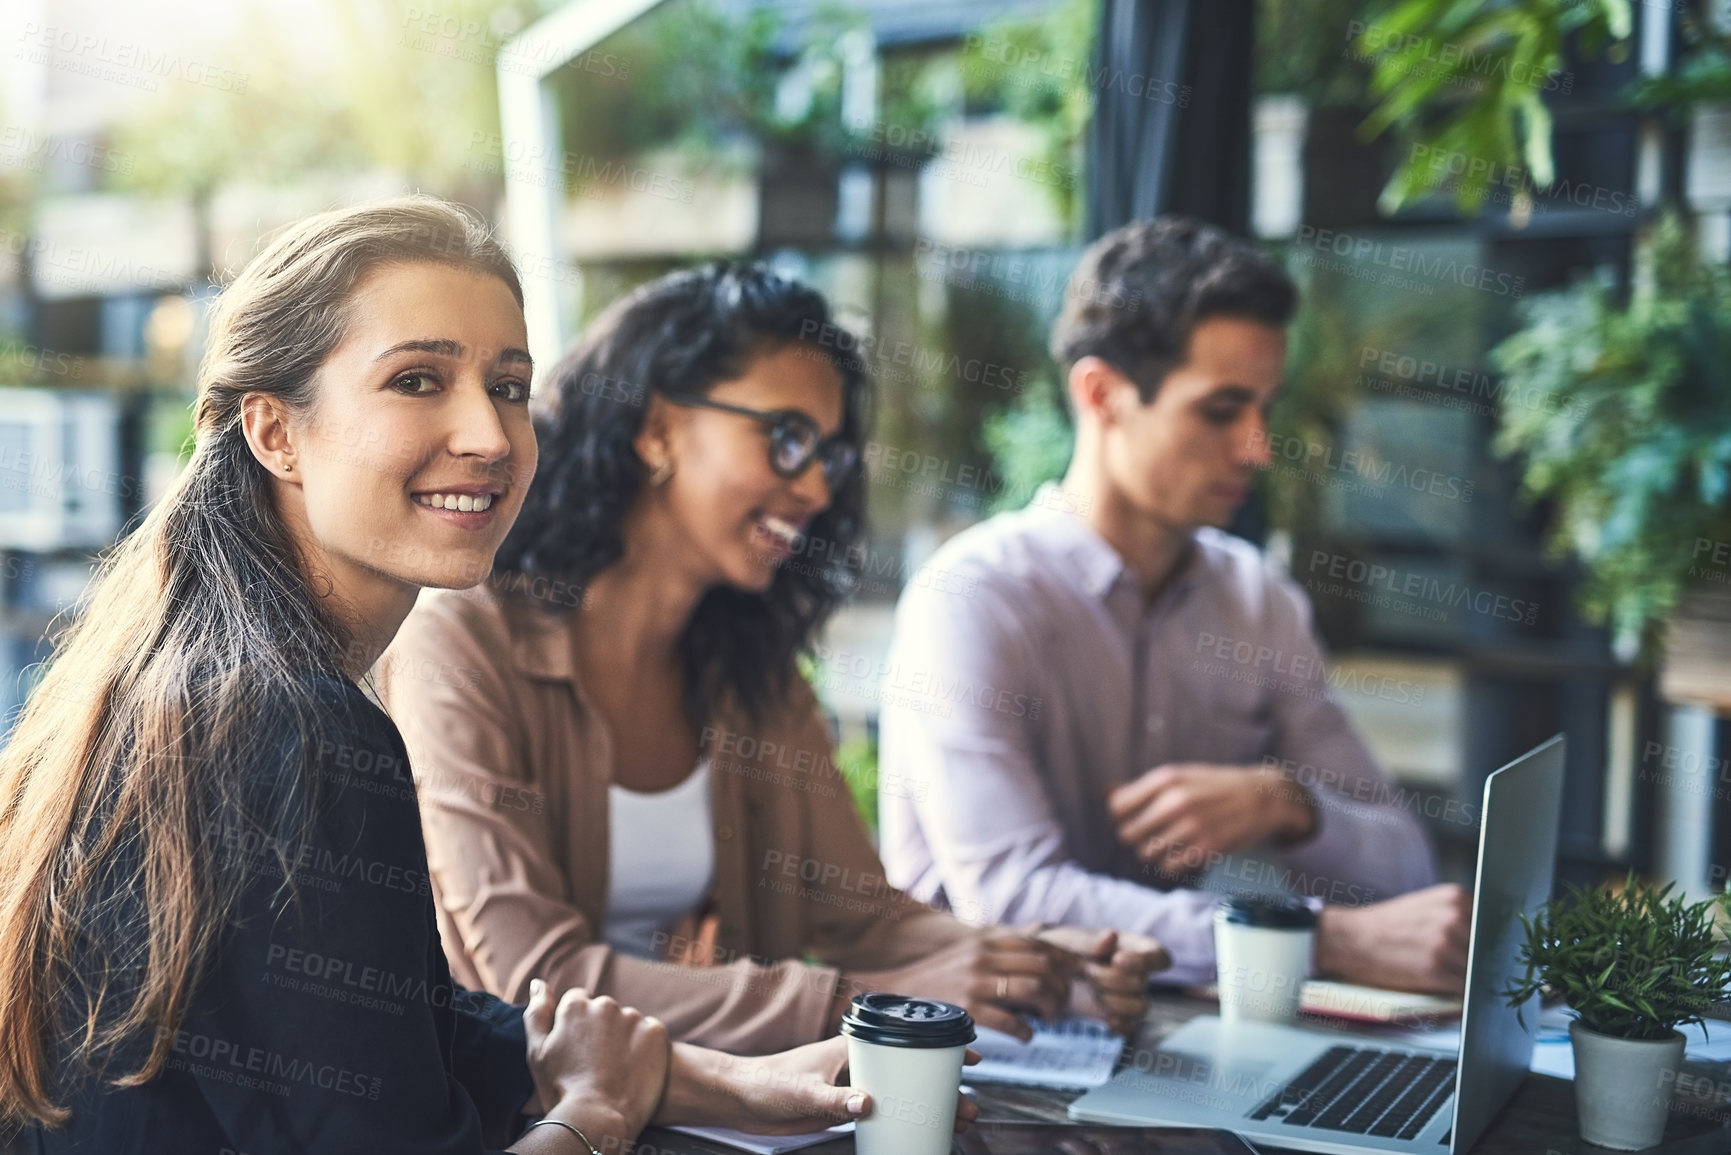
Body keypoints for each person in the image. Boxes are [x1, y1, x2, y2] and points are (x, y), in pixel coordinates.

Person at [0, 198, 965, 1155]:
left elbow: (405, 1029)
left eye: (509, 386)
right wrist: (597, 1116)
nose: (492, 436)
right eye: (418, 379)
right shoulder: (295, 726)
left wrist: (723, 1082)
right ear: (275, 433)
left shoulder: (206, 681)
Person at [376, 263, 1168, 1056]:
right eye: (786, 438)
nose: (817, 488)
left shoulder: (748, 671)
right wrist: (851, 1003)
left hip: (707, 1116)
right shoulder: (460, 645)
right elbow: (532, 979)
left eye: (829, 455)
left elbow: (866, 918)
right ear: (656, 429)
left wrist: (1041, 965)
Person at [877, 217, 1473, 995]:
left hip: (1160, 1027)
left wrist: (1286, 803)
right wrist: (1311, 940)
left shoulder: (1254, 598)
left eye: (1264, 408)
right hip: (978, 1058)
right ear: (1101, 395)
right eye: (1220, 410)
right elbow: (1015, 898)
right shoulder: (972, 598)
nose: (1257, 448)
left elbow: (1403, 869)